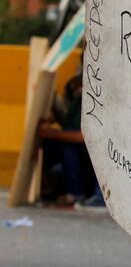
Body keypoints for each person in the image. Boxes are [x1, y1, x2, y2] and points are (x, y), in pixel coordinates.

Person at [39, 74, 105, 209]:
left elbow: (84, 137)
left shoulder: (96, 99)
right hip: (81, 163)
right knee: (52, 143)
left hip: (92, 162)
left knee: (67, 144)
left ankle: (80, 194)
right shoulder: (77, 101)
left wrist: (55, 133)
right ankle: (61, 190)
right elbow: (67, 121)